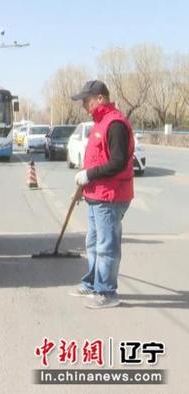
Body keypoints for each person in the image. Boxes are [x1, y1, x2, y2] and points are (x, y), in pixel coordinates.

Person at [69, 80, 135, 309]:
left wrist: (89, 175)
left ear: (100, 98)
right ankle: (92, 283)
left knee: (107, 246)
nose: (83, 104)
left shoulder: (114, 124)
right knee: (94, 242)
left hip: (111, 195)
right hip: (97, 194)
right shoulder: (100, 122)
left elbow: (117, 162)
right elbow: (97, 158)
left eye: (86, 100)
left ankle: (107, 292)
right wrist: (84, 185)